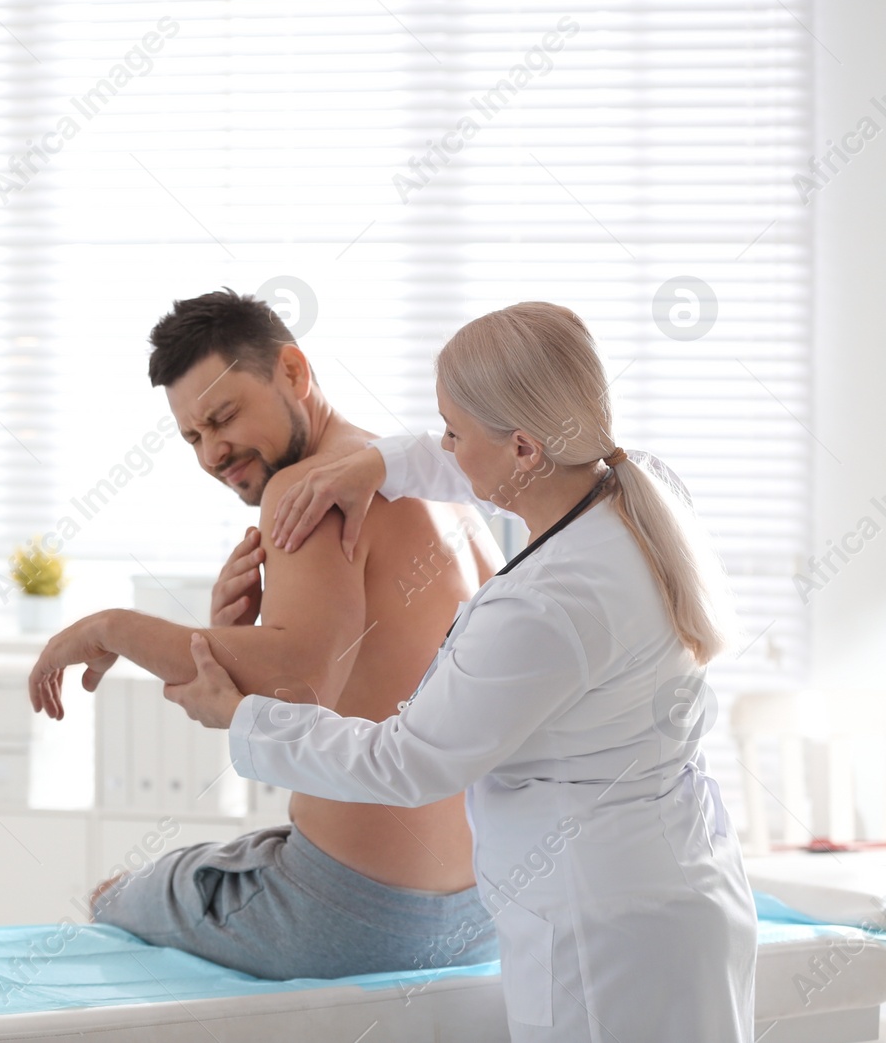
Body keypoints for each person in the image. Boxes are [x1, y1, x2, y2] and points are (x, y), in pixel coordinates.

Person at [161, 301, 757, 1041]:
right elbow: (453, 460)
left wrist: (241, 717)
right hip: (683, 893)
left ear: (525, 449)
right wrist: (374, 462)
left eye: (454, 429)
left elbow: (405, 761)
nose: (441, 448)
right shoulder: (635, 493)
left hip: (601, 935)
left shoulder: (543, 605)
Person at [27, 289, 502, 980]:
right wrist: (237, 639)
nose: (214, 451)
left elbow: (302, 680)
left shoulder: (311, 486)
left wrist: (112, 627)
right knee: (237, 851)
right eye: (192, 437)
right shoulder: (444, 485)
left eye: (223, 417)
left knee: (127, 892)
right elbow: (345, 671)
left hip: (356, 915)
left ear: (294, 372)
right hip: (483, 909)